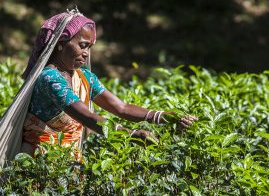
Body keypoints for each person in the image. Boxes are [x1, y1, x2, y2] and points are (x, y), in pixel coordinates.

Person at [20, 9, 198, 156]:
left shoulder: (85, 78)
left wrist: (166, 116)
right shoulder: (49, 78)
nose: (86, 53)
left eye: (89, 47)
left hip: (68, 161)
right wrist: (131, 135)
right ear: (60, 43)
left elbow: (121, 108)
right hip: (37, 160)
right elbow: (87, 117)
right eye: (82, 45)